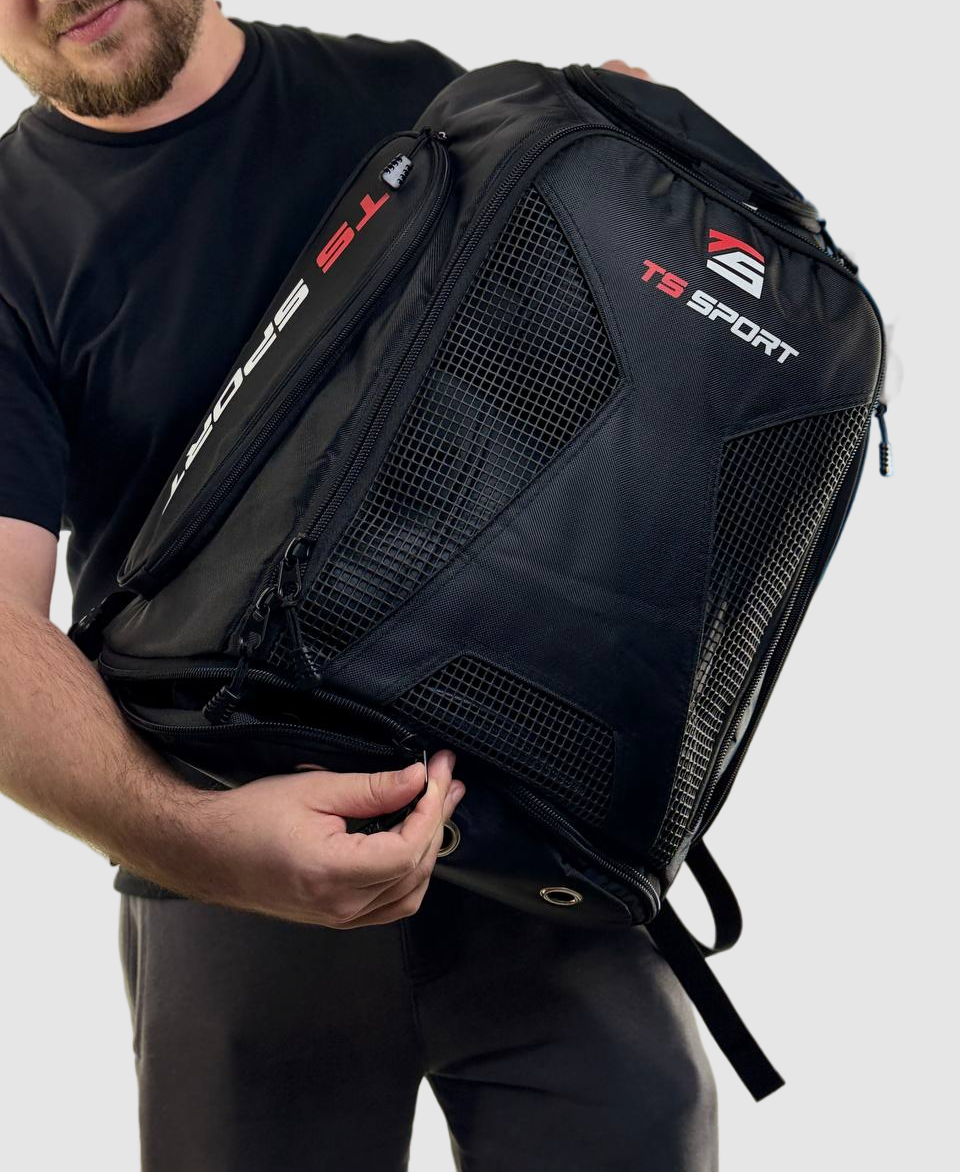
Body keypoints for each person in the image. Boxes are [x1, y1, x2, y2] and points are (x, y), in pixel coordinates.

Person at [0, 2, 717, 1168]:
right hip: (229, 864)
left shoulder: (426, 106)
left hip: (529, 837)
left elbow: (617, 413)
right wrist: (202, 841)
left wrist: (637, 188)